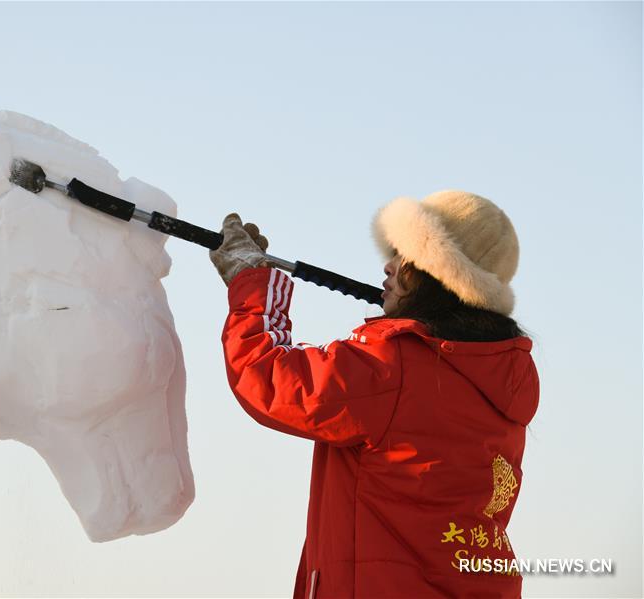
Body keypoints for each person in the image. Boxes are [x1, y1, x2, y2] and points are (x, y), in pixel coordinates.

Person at [209, 190, 539, 599]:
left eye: (403, 256)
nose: (388, 266)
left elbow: (267, 377)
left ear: (432, 275)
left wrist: (251, 282)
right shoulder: (499, 375)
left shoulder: (394, 365)